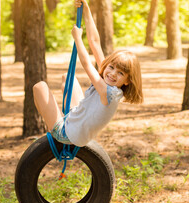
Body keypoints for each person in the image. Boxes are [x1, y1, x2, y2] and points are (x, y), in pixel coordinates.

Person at [33, 0, 143, 147]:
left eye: (121, 73)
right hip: (77, 123)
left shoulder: (109, 92)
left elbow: (86, 64)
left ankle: (53, 126)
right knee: (68, 78)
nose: (113, 74)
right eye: (112, 67)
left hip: (67, 134)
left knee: (39, 87)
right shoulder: (109, 78)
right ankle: (62, 118)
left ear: (127, 81)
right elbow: (95, 42)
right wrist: (87, 10)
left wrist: (77, 38)